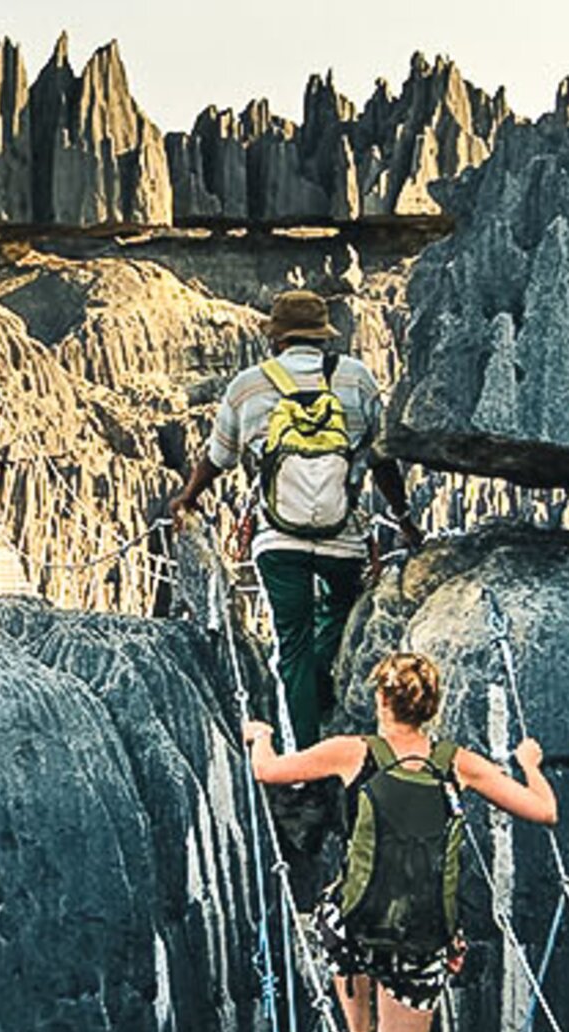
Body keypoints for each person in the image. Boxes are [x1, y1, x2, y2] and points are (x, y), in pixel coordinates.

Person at [172, 288, 412, 901]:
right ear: (324, 337)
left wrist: (188, 498)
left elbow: (217, 458)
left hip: (278, 542)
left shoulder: (249, 387)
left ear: (276, 338)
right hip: (344, 539)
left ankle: (308, 755)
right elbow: (381, 459)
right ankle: (332, 717)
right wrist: (406, 520)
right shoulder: (356, 379)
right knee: (337, 628)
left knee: (293, 644)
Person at [242, 654, 554, 1032]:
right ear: (433, 706)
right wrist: (530, 764)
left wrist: (261, 735)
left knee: (330, 911)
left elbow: (266, 770)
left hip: (356, 929)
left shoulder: (353, 751)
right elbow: (545, 811)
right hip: (422, 943)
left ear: (381, 700)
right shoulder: (457, 763)